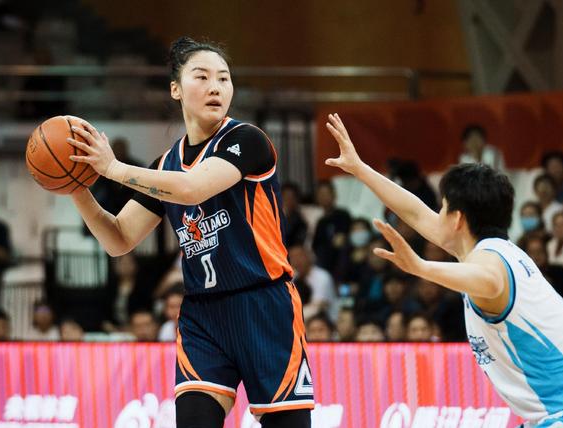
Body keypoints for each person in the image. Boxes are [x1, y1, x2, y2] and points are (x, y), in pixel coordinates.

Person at [65, 37, 313, 427]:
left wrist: (113, 169)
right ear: (175, 89)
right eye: (202, 77)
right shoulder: (165, 164)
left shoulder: (247, 140)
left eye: (224, 78)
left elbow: (193, 187)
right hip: (202, 314)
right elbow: (118, 238)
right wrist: (76, 187)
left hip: (264, 305)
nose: (216, 87)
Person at [325, 113, 563, 426]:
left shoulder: (490, 260)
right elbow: (414, 212)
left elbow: (489, 280)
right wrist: (360, 169)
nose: (435, 215)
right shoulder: (491, 249)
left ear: (457, 219)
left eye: (442, 208)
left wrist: (421, 267)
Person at [311, 180, 351, 274]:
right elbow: (316, 246)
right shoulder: (321, 222)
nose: (323, 197)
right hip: (323, 266)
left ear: (334, 195)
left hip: (342, 265)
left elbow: (340, 241)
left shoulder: (343, 215)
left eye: (326, 193)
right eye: (321, 194)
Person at [280, 182, 308, 247]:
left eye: (291, 198)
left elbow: (298, 242)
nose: (288, 201)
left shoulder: (300, 221)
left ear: (296, 200)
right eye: (285, 197)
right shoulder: (272, 216)